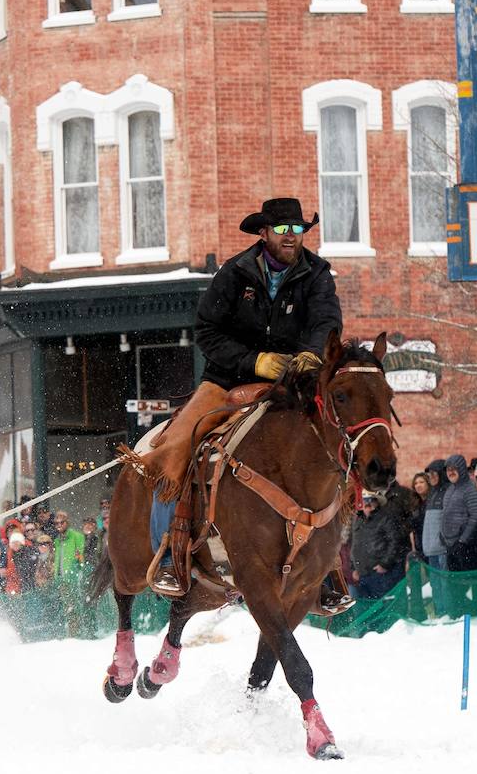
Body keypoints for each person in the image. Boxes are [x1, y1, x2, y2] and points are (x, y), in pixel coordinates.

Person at [141, 197, 342, 599]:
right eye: (282, 229)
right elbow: (207, 332)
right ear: (263, 233)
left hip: (295, 381)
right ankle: (168, 552)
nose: (291, 237)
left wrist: (310, 353)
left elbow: (327, 321)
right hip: (226, 381)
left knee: (331, 447)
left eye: (297, 229)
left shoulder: (318, 274)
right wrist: (255, 361)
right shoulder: (234, 273)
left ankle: (329, 568)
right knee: (180, 441)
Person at [349, 491, 409, 599]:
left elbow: (395, 541)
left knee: (385, 607)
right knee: (368, 610)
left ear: (377, 502)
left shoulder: (386, 517)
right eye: (363, 500)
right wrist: (354, 567)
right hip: (362, 573)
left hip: (380, 573)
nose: (367, 503)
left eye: (370, 500)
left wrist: (385, 564)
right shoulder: (357, 519)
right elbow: (354, 544)